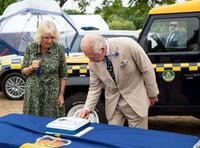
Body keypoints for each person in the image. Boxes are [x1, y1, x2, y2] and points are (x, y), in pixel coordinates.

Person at [79, 33, 159, 129]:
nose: (90, 61)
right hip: (113, 104)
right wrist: (87, 108)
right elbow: (94, 87)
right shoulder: (93, 61)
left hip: (135, 100)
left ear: (102, 50)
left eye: (92, 57)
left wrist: (152, 94)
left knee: (138, 138)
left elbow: (147, 69)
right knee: (113, 137)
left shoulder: (128, 45)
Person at [21, 20, 67, 118]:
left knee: (52, 123)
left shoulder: (59, 48)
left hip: (52, 93)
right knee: (32, 122)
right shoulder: (31, 47)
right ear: (40, 37)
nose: (49, 41)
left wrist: (61, 94)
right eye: (46, 37)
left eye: (52, 37)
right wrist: (31, 68)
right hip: (33, 93)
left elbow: (63, 74)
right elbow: (23, 71)